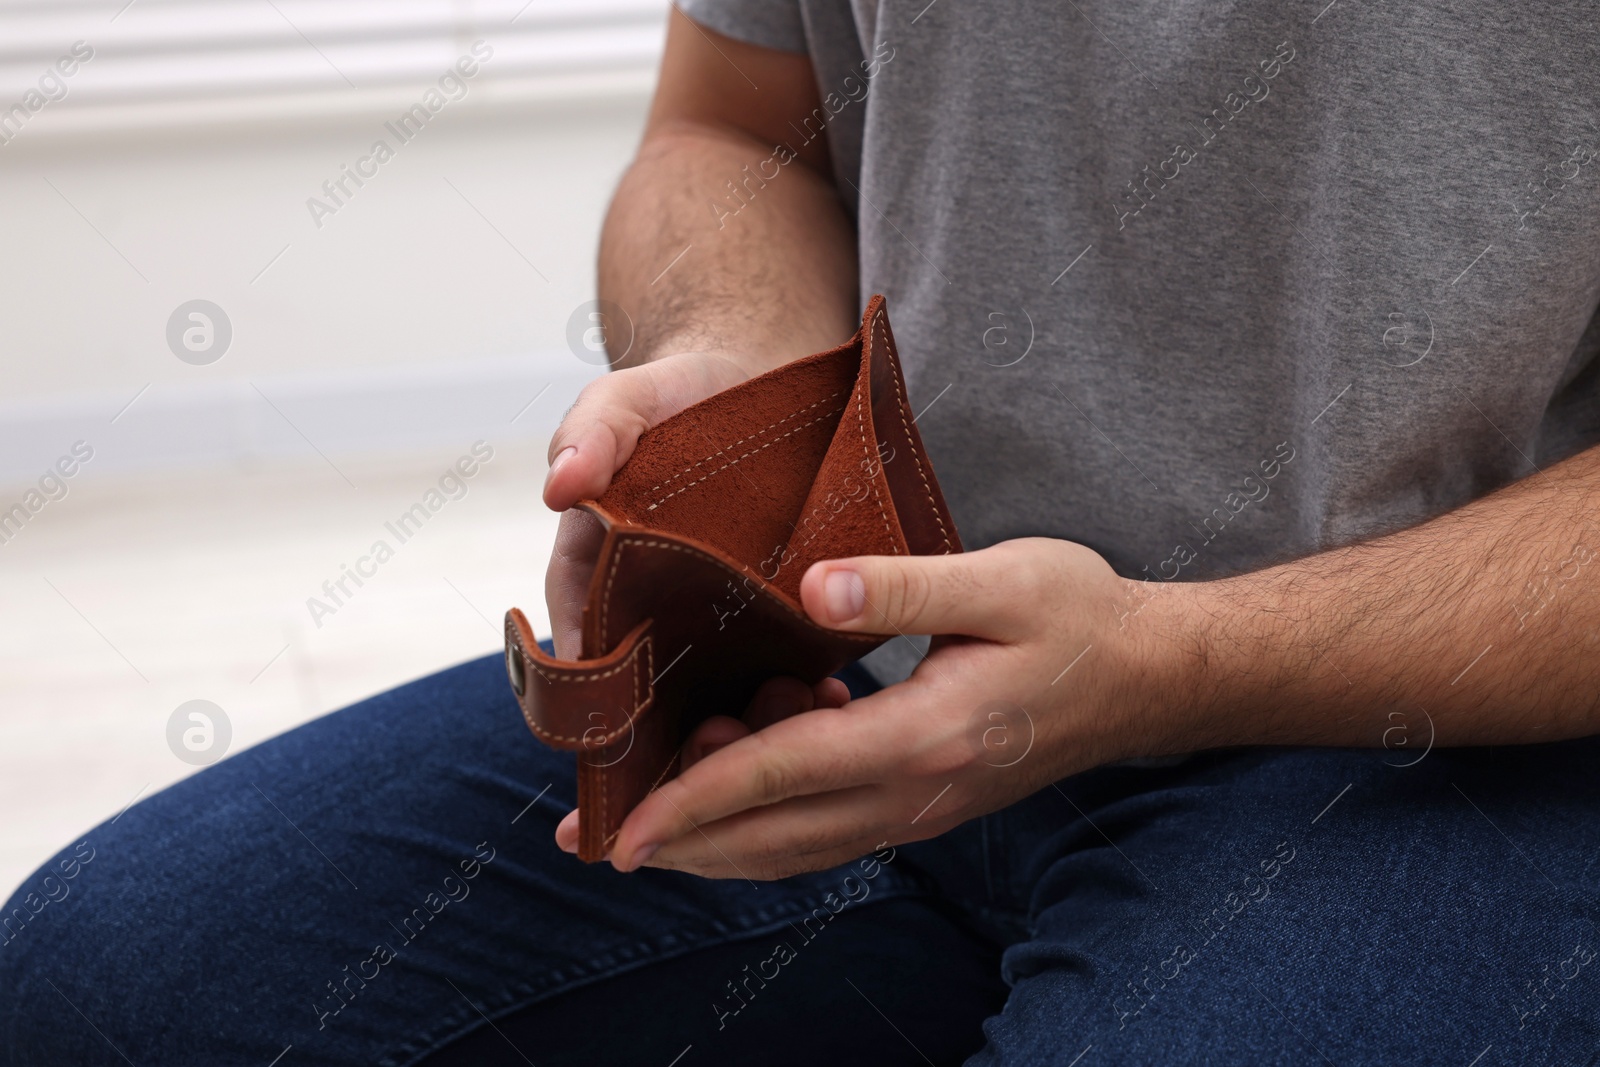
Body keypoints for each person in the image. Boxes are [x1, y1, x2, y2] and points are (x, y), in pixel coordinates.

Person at [6, 3, 1600, 1064]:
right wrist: (734, 395)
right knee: (94, 998)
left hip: (1445, 742)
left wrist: (1170, 661)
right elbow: (725, 122)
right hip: (871, 679)